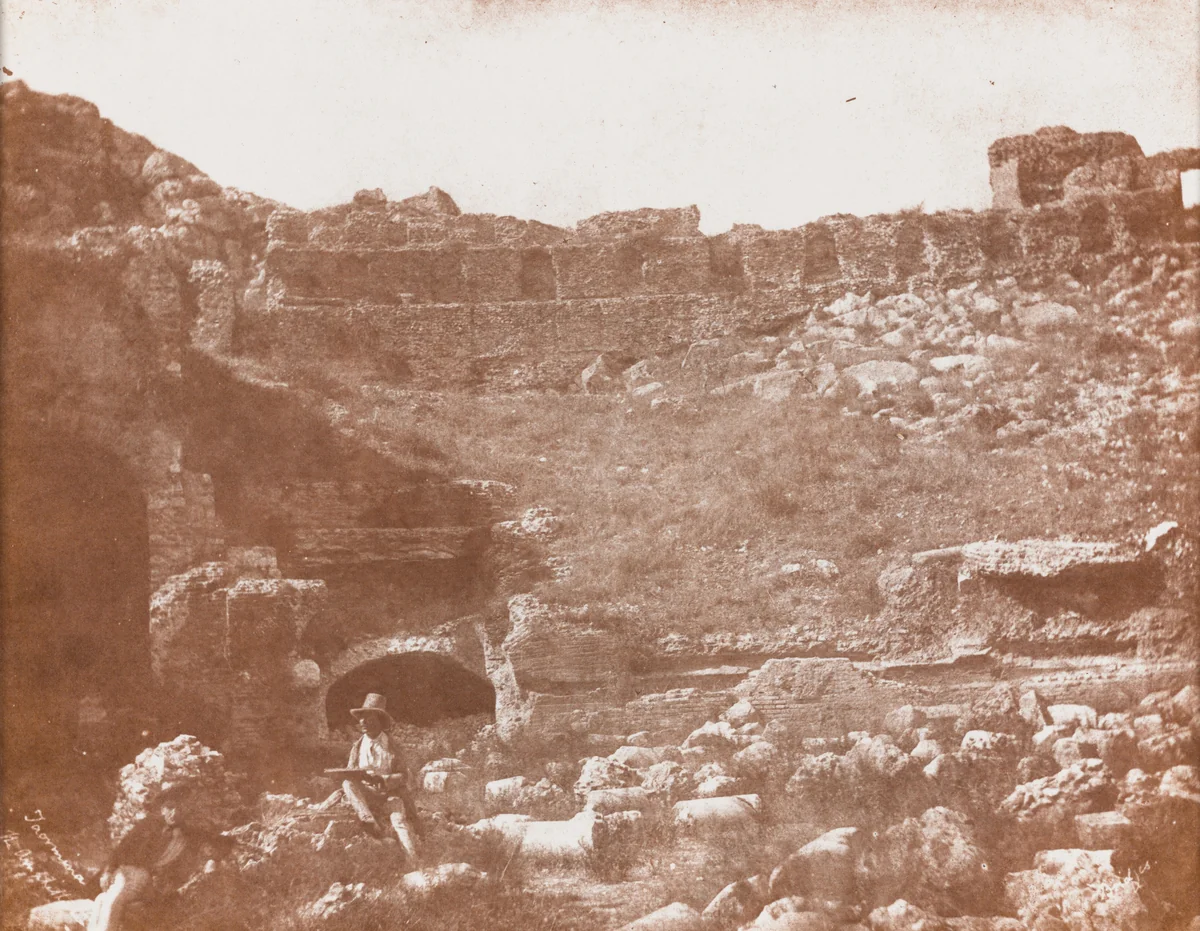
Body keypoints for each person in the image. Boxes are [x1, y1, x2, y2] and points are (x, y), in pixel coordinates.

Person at [89, 784, 230, 931]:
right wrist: (107, 871)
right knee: (108, 900)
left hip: (151, 881)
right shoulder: (147, 825)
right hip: (127, 872)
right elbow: (121, 848)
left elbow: (221, 842)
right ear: (163, 809)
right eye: (170, 808)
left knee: (109, 900)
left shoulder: (190, 835)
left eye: (179, 809)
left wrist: (213, 859)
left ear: (185, 810)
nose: (174, 813)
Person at [330, 692, 420, 862]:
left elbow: (403, 775)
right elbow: (351, 770)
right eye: (361, 718)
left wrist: (383, 779)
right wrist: (354, 775)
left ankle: (414, 863)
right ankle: (368, 820)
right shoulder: (357, 746)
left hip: (389, 795)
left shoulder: (392, 745)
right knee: (348, 783)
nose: (363, 722)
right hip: (367, 795)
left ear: (379, 720)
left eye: (368, 718)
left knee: (399, 821)